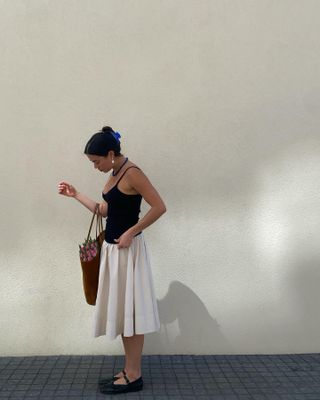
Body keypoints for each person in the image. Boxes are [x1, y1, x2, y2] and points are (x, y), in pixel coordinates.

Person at [58, 126, 166, 395]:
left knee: (130, 313)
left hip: (128, 252)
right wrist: (76, 195)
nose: (95, 167)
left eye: (96, 162)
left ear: (110, 153)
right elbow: (105, 210)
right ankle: (129, 369)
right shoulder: (116, 173)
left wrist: (132, 231)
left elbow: (159, 206)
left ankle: (134, 374)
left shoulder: (133, 173)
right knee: (122, 314)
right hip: (113, 252)